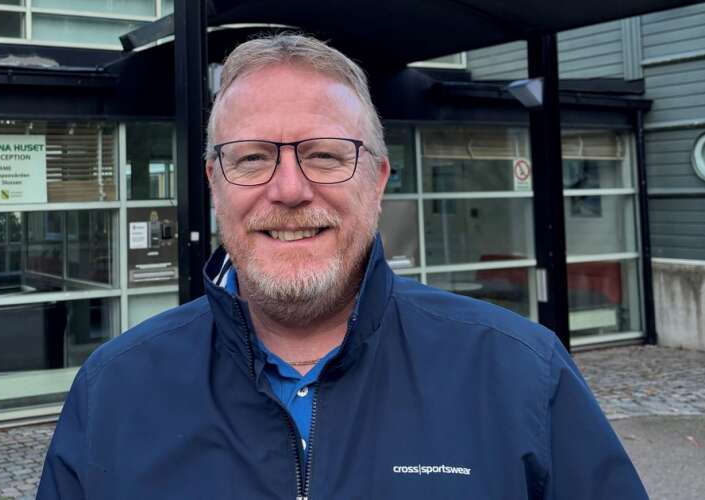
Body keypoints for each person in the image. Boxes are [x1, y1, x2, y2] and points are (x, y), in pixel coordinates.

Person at [37, 33, 647, 499]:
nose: (289, 190)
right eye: (251, 158)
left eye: (326, 156)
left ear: (377, 181)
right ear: (214, 184)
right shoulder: (113, 390)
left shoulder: (520, 373)